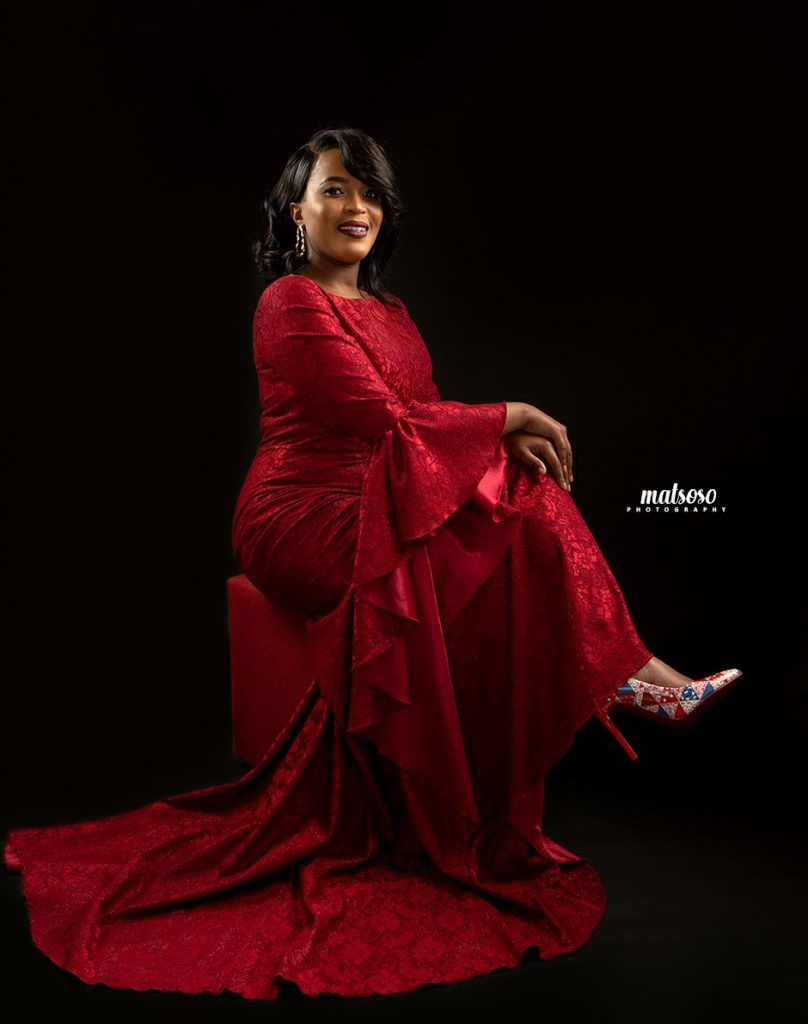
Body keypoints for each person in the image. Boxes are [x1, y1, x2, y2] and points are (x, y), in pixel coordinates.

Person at [3, 126, 742, 1002]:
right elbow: (381, 421)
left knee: (524, 494)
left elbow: (422, 433)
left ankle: (627, 675)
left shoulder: (394, 313)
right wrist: (508, 416)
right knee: (512, 491)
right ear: (295, 211)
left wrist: (498, 445)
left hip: (387, 497)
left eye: (369, 193)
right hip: (301, 513)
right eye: (334, 189)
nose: (356, 206)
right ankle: (631, 677)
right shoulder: (289, 302)